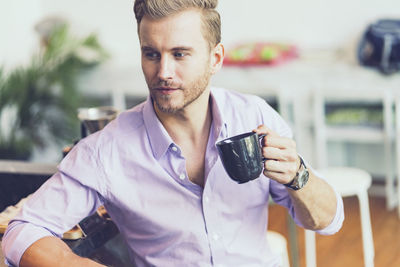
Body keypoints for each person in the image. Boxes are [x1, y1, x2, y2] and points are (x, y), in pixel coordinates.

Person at [2, 0, 344, 266]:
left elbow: (328, 220)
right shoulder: (107, 149)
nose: (163, 72)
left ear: (215, 58)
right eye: (151, 54)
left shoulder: (254, 117)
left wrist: (298, 175)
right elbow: (21, 230)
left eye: (180, 54)